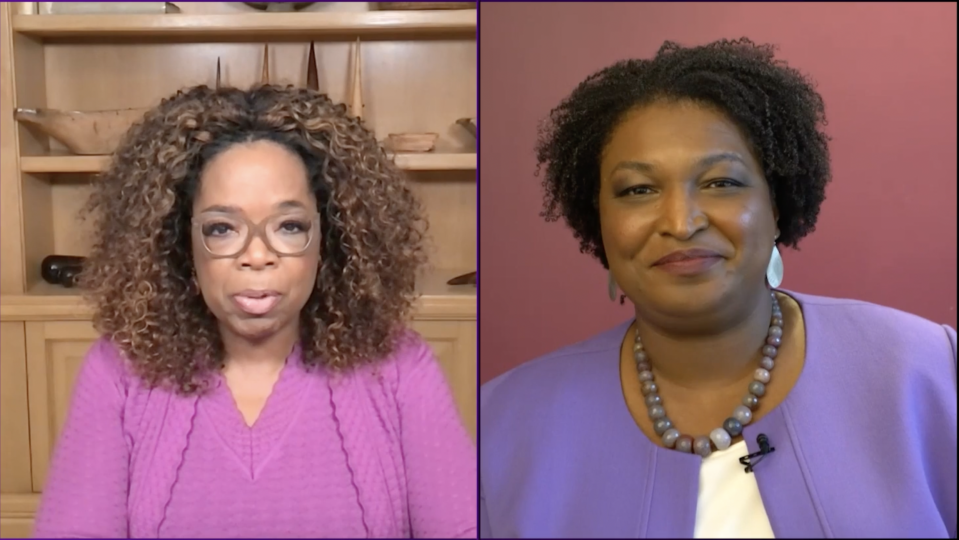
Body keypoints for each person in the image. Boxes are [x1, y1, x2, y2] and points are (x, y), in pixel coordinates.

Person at [479, 38, 956, 538]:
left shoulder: (930, 371)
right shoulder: (503, 423)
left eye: (721, 182)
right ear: (599, 221)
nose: (682, 223)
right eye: (638, 190)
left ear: (777, 206)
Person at [34, 84, 476, 538]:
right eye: (223, 228)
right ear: (181, 244)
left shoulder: (400, 365)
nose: (257, 255)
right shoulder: (118, 372)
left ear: (331, 239)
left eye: (289, 226)